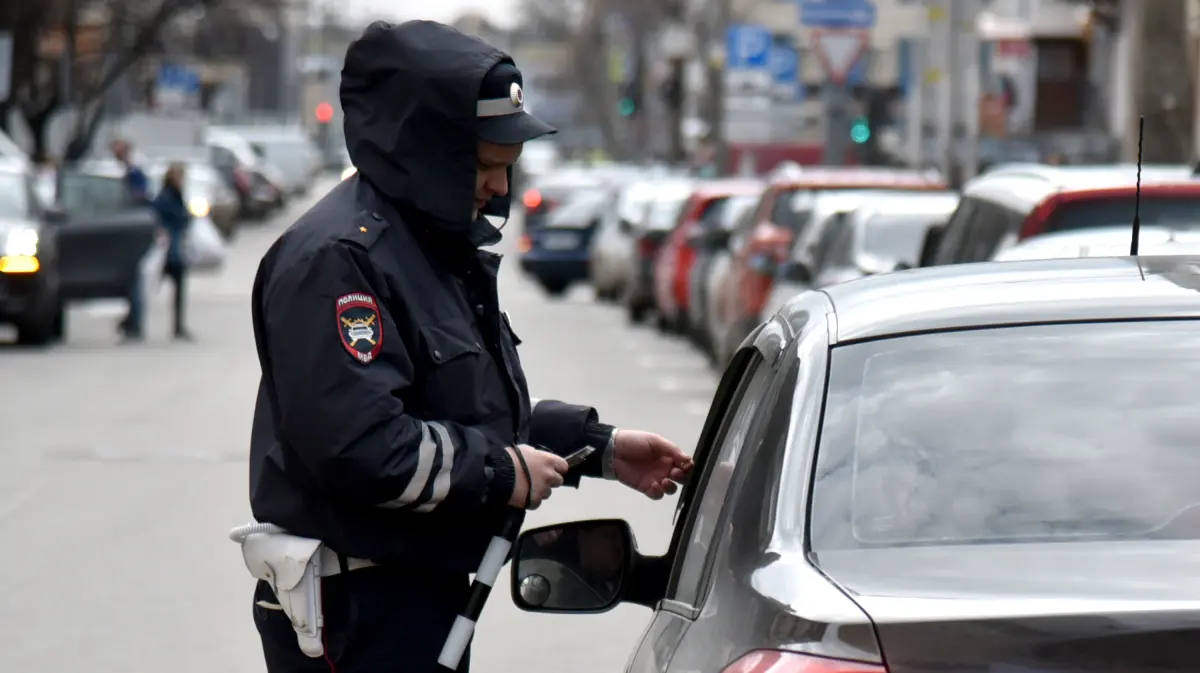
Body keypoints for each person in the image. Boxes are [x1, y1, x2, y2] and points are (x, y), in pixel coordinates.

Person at [244, 20, 694, 673]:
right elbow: (363, 446)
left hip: (417, 605)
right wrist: (502, 472)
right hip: (358, 614)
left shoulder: (427, 250)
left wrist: (598, 448)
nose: (499, 189)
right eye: (485, 166)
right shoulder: (340, 260)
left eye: (507, 169)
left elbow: (463, 413)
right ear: (428, 153)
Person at [111, 138, 150, 341]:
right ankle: (131, 320)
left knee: (134, 280)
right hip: (120, 233)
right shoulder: (119, 173)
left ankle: (134, 322)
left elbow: (141, 199)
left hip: (132, 234)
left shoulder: (135, 173)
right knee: (129, 281)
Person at [151, 162, 194, 341]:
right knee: (149, 285)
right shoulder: (168, 197)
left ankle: (178, 326)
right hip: (170, 249)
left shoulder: (173, 195)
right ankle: (132, 321)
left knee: (175, 289)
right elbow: (176, 217)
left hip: (172, 248)